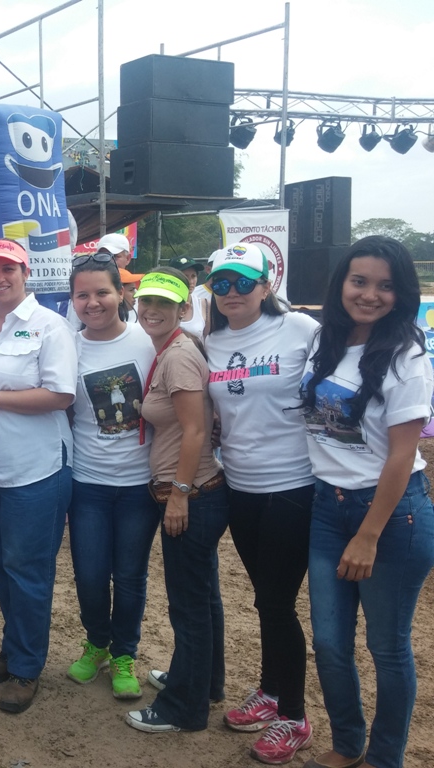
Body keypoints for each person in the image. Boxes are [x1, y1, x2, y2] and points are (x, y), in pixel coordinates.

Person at [299, 236, 434, 768]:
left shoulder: (406, 356)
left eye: (385, 285)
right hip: (327, 509)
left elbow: (403, 455)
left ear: (402, 293)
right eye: (360, 281)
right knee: (330, 643)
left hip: (390, 517)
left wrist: (369, 533)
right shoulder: (323, 342)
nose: (370, 294)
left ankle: (384, 758)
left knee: (387, 647)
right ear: (341, 285)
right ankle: (347, 744)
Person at [205, 243, 320, 764]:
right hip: (241, 488)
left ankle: (294, 718)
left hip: (293, 487)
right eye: (220, 283)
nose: (230, 293)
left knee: (275, 603)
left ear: (266, 284)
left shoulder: (299, 330)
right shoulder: (212, 339)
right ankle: (272, 693)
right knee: (264, 599)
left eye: (242, 282)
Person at [0, 239, 77, 714]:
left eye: (8, 268)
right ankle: (12, 648)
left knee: (29, 571)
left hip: (34, 470)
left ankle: (27, 666)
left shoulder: (51, 326)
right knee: (1, 567)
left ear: (25, 272)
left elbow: (61, 395)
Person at [124, 267, 228, 734]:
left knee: (188, 606)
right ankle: (203, 681)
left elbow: (195, 430)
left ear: (183, 309)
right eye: (147, 302)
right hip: (200, 490)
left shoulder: (179, 356)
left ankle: (182, 708)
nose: (152, 310)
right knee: (203, 599)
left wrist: (180, 496)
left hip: (190, 492)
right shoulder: (170, 350)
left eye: (164, 304)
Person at [65, 254, 158, 700]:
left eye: (102, 292)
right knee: (88, 573)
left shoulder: (148, 342)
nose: (93, 302)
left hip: (139, 484)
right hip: (87, 484)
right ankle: (96, 643)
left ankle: (125, 654)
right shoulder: (68, 347)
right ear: (73, 300)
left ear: (121, 293)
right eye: (82, 294)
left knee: (130, 575)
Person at [169, 256, 207, 339]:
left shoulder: (204, 304)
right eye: (185, 276)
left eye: (193, 276)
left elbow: (209, 341)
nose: (190, 281)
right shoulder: (161, 303)